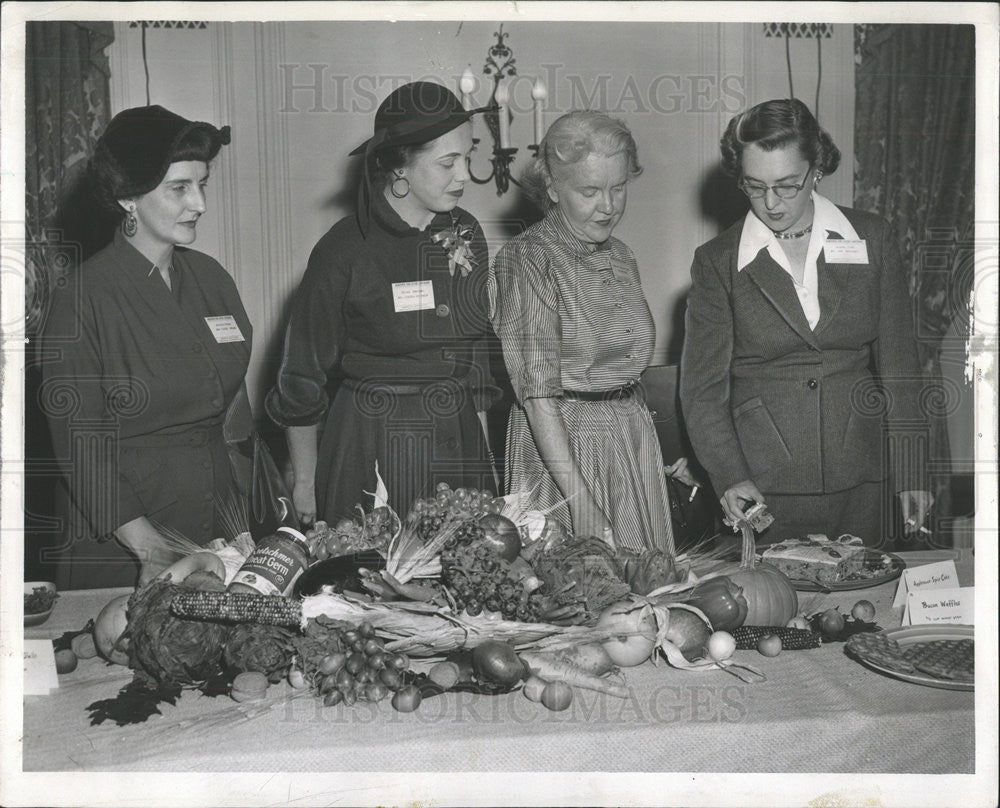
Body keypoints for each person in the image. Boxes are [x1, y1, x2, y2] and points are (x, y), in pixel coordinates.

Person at [680, 98, 933, 545]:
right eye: (754, 187)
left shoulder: (872, 237)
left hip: (865, 477)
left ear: (816, 170)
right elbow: (702, 391)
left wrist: (913, 470)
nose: (771, 203)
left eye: (787, 185)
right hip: (764, 486)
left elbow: (900, 365)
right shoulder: (716, 262)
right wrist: (731, 476)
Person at [266, 81, 498, 525]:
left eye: (467, 159)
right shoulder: (344, 249)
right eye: (448, 162)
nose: (464, 175)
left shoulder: (466, 232)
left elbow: (476, 357)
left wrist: (481, 455)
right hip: (374, 442)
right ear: (400, 170)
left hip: (458, 435)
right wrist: (305, 480)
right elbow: (300, 376)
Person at [41, 105, 252, 588]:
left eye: (202, 185)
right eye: (179, 188)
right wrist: (150, 548)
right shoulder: (82, 300)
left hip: (217, 520)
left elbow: (236, 410)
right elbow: (80, 446)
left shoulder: (211, 279)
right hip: (126, 536)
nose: (198, 203)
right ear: (127, 198)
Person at [490, 110, 685, 555]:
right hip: (565, 452)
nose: (609, 205)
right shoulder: (527, 260)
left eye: (618, 188)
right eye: (590, 191)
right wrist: (580, 502)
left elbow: (625, 368)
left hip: (629, 441)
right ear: (553, 188)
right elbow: (539, 400)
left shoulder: (621, 255)